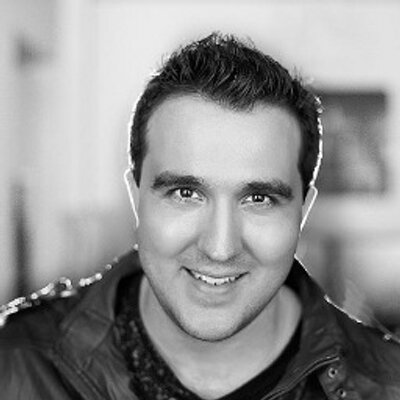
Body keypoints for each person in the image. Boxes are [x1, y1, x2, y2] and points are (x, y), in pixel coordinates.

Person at [0, 32, 399, 400]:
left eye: (258, 198)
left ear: (303, 212)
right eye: (186, 193)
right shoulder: (14, 364)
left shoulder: (388, 385)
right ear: (136, 199)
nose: (220, 248)